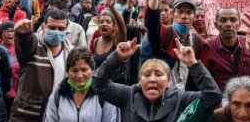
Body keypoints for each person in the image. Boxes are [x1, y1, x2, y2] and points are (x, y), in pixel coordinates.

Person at [92, 37, 222, 122]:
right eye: (147, 75)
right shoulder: (128, 95)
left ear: (169, 81)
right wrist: (117, 57)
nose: (152, 79)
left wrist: (193, 64)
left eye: (159, 74)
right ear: (139, 80)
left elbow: (213, 96)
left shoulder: (181, 98)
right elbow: (99, 83)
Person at [144, 0, 209, 90]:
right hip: (163, 95)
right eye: (180, 12)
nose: (184, 16)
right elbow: (151, 22)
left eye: (189, 13)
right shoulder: (165, 33)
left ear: (193, 16)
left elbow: (202, 77)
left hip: (188, 98)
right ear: (173, 14)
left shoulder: (200, 43)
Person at [10, 10, 73, 122]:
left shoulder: (71, 51)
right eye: (52, 27)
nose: (56, 32)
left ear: (67, 28)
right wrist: (23, 34)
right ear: (43, 27)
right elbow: (25, 45)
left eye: (61, 29)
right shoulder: (33, 43)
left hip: (57, 113)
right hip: (28, 113)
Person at [44, 47, 118, 122]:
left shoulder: (104, 95)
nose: (79, 75)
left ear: (92, 69)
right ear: (67, 72)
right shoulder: (57, 96)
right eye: (74, 70)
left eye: (84, 70)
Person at [207, 7, 250, 91]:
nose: (228, 24)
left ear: (240, 24)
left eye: (233, 20)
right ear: (215, 25)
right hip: (221, 101)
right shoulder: (207, 47)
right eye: (223, 20)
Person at [0, 21, 19, 117]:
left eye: (12, 31)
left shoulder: (20, 49)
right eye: (6, 31)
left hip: (16, 95)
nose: (10, 33)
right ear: (0, 34)